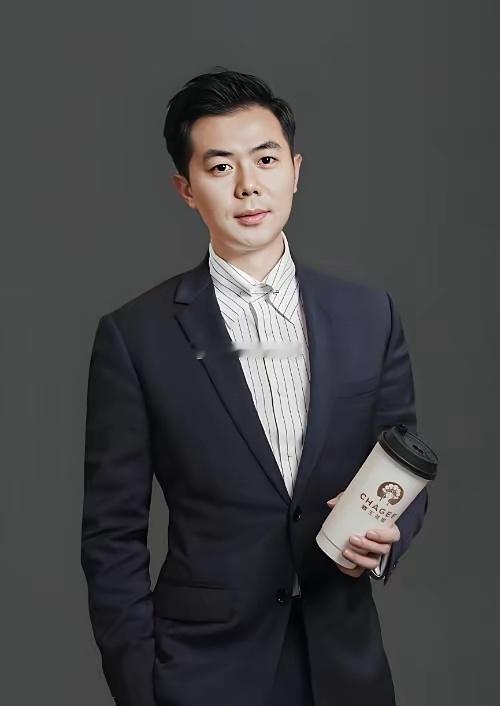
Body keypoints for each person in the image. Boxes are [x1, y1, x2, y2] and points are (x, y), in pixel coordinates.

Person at [80, 69, 429, 706]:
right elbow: (112, 533)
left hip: (345, 668)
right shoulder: (135, 337)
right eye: (220, 167)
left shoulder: (369, 315)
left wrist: (389, 538)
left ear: (295, 170)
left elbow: (403, 465)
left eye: (266, 159)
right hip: (202, 672)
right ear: (186, 189)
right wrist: (140, 685)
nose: (248, 185)